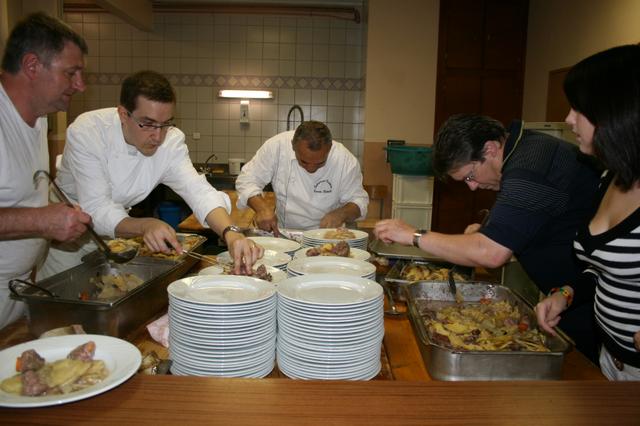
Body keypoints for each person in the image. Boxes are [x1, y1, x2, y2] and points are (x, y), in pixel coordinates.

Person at [374, 113, 602, 363]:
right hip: (570, 293)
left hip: (594, 304)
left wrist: (413, 236)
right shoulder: (525, 150)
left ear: (491, 148)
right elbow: (529, 219)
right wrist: (489, 232)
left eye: (470, 176)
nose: (472, 187)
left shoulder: (530, 166)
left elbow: (491, 254)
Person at [39, 70, 262, 278]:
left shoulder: (171, 142)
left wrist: (231, 233)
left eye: (165, 124)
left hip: (117, 239)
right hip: (67, 244)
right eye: (148, 124)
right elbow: (96, 207)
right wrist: (144, 225)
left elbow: (199, 192)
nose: (158, 136)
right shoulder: (88, 131)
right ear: (123, 114)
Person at [535, 44, 640, 380]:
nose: (568, 119)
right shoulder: (610, 177)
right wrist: (567, 295)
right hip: (610, 360)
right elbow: (608, 270)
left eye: (579, 108)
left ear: (618, 113)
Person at [0, 13, 92, 328]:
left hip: (16, 294)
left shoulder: (38, 119)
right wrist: (42, 220)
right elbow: (31, 217)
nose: (80, 85)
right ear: (32, 65)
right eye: (71, 73)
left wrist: (54, 219)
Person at [235, 121, 369, 233]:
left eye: (320, 163)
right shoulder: (277, 147)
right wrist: (262, 208)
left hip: (326, 238)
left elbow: (359, 201)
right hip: (283, 234)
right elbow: (247, 179)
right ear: (293, 146)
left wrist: (341, 214)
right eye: (304, 161)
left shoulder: (344, 160)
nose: (311, 169)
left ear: (329, 148)